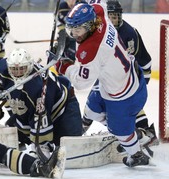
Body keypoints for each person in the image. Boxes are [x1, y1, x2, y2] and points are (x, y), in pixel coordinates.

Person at [64, 2, 151, 167]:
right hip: (126, 76)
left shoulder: (92, 50)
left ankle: (136, 155)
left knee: (120, 131)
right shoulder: (99, 12)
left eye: (78, 29)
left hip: (123, 95)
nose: (74, 34)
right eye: (72, 28)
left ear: (89, 25)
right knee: (90, 110)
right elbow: (96, 3)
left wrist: (65, 67)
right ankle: (131, 131)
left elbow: (81, 83)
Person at [0, 48, 83, 159]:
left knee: (71, 152)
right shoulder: (1, 68)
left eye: (22, 69)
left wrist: (40, 146)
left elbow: (41, 118)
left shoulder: (39, 86)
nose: (18, 73)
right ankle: (26, 138)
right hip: (30, 106)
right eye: (14, 69)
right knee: (19, 119)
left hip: (63, 109)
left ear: (29, 66)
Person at [82, 0, 158, 147]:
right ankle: (82, 128)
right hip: (108, 75)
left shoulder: (129, 34)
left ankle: (141, 130)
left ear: (120, 16)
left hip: (128, 75)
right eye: (110, 16)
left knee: (125, 103)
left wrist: (141, 84)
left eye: (115, 16)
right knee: (97, 102)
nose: (113, 20)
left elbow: (145, 61)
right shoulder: (99, 30)